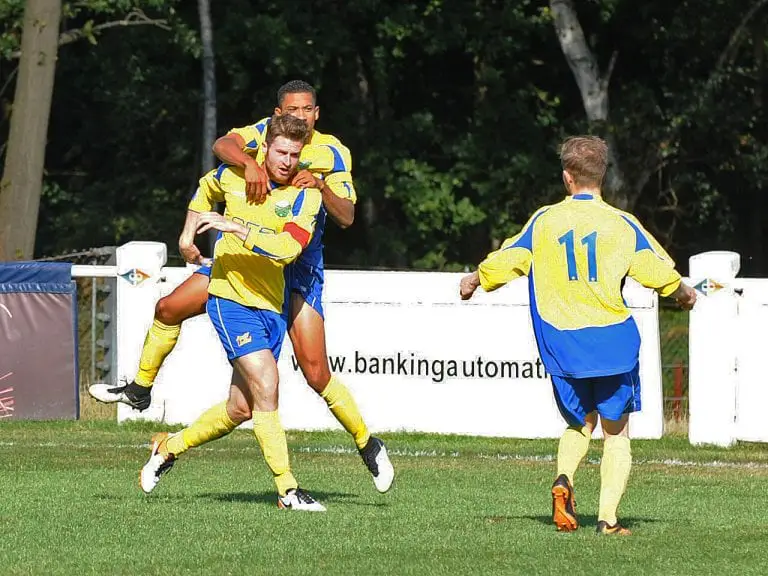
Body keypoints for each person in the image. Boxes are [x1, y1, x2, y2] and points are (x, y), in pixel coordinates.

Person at [91, 80, 394, 493]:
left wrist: (321, 186)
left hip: (297, 267)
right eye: (290, 111)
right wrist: (248, 165)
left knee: (311, 374)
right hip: (247, 265)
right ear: (276, 115)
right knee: (168, 307)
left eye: (306, 110)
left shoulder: (332, 152)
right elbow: (223, 148)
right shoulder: (265, 133)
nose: (297, 118)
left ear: (316, 113)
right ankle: (141, 390)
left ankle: (367, 444)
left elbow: (347, 216)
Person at [459, 136, 697, 535]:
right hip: (611, 343)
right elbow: (660, 273)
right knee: (615, 432)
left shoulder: (543, 220)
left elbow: (508, 261)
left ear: (567, 177)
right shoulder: (623, 225)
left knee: (577, 424)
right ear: (602, 176)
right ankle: (608, 519)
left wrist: (474, 279)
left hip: (563, 344)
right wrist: (685, 294)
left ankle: (565, 478)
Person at [140, 114, 328, 510]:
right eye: (281, 152)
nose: (287, 161)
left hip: (270, 307)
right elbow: (205, 188)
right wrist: (187, 236)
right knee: (268, 385)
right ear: (265, 149)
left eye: (295, 154)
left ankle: (168, 447)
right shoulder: (234, 176)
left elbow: (289, 249)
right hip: (230, 299)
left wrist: (237, 228)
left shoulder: (305, 194)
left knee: (240, 408)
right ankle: (288, 490)